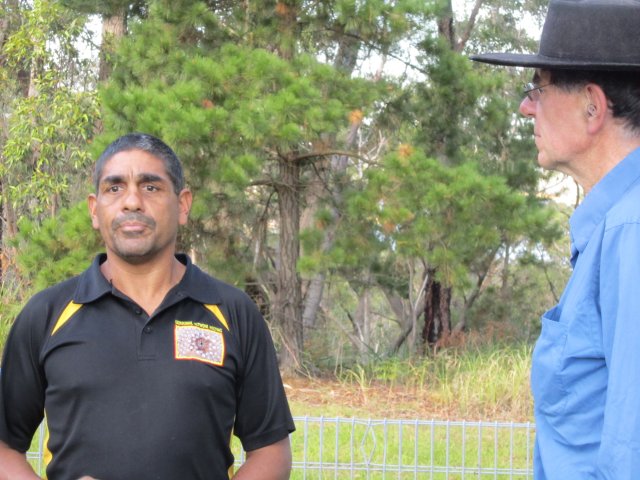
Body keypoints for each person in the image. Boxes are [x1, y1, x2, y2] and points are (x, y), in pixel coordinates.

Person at [0, 133, 295, 480]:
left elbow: (271, 450)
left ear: (182, 204)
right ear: (95, 210)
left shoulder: (233, 313)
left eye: (150, 187)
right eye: (115, 188)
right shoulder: (46, 315)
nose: (132, 202)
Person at [471, 0, 640, 478]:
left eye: (538, 88)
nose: (526, 106)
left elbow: (631, 453)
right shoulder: (615, 227)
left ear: (592, 106)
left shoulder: (631, 233)